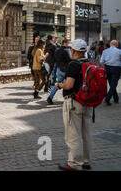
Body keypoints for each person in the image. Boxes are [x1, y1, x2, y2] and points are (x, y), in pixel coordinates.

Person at [56, 39, 92, 171]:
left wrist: (59, 85)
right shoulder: (89, 63)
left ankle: (74, 164)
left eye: (71, 49)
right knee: (86, 133)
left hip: (73, 102)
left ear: (74, 51)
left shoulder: (74, 65)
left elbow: (69, 84)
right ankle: (86, 161)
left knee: (73, 134)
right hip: (88, 102)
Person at [47, 39, 72, 105]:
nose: (69, 44)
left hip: (58, 69)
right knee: (68, 83)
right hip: (65, 69)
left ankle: (50, 97)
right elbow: (70, 59)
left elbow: (55, 59)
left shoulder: (57, 50)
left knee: (58, 84)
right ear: (65, 43)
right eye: (68, 43)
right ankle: (67, 99)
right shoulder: (67, 50)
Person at [100, 40, 121, 106]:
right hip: (116, 68)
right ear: (117, 45)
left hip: (107, 68)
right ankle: (107, 99)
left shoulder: (105, 51)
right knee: (113, 84)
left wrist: (105, 68)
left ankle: (116, 99)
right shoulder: (119, 51)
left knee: (111, 84)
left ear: (110, 44)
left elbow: (101, 61)